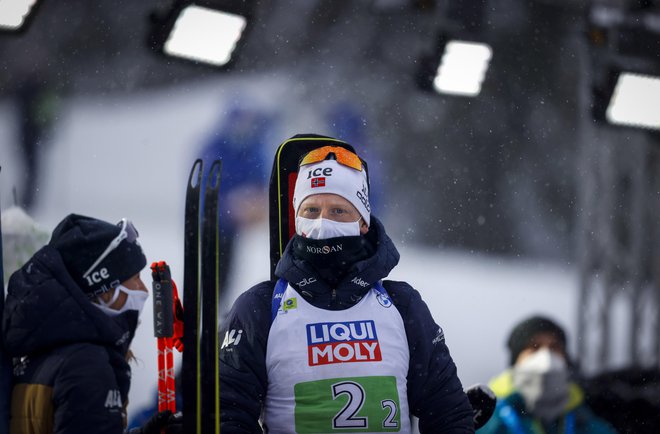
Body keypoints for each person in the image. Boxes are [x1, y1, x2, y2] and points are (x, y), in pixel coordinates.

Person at [219, 140, 475, 433]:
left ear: (363, 222)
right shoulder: (260, 308)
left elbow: (449, 414)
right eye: (311, 210)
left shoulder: (403, 305)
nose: (322, 223)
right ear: (297, 219)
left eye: (338, 211)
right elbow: (228, 415)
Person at [2, 214, 180, 434]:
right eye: (134, 278)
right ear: (103, 288)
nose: (142, 289)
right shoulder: (85, 365)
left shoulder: (47, 346)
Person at [478, 315, 617, 434]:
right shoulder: (485, 418)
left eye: (554, 347)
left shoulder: (587, 421)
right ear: (516, 361)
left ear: (566, 359)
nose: (546, 355)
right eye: (535, 347)